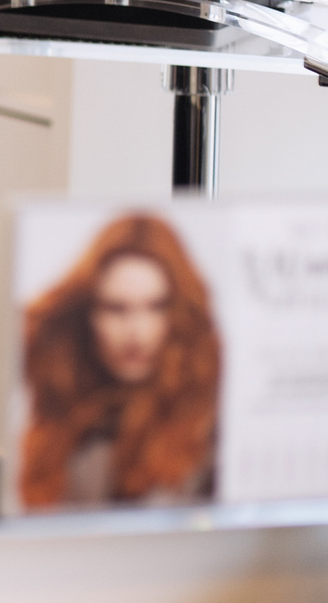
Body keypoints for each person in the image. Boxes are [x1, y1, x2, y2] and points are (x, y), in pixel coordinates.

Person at [17, 213, 219, 509]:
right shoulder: (60, 427)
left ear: (178, 313)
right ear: (87, 314)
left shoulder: (208, 433)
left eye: (156, 307)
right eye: (116, 309)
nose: (137, 333)